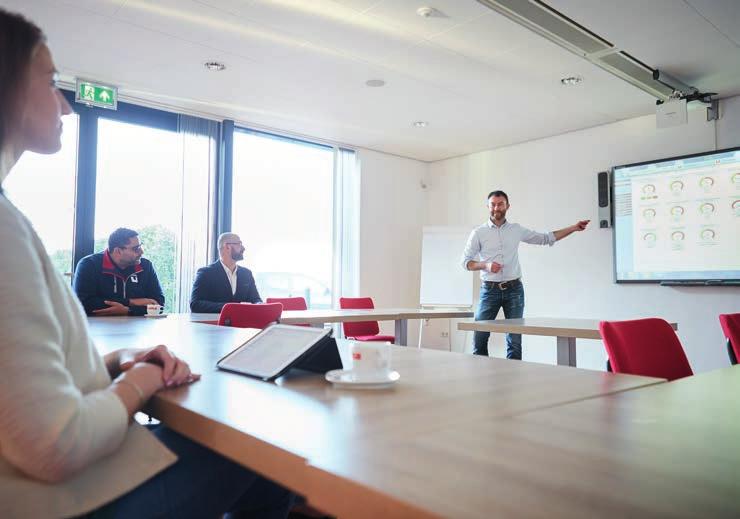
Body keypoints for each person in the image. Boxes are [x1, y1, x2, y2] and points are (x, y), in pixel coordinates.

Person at [0, 8, 294, 518]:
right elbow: (55, 445)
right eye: (49, 81)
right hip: (60, 500)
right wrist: (142, 382)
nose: (66, 105)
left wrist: (117, 363)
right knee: (270, 448)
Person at [462, 190, 589, 360]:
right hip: (489, 291)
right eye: (493, 204)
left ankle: (514, 381)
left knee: (515, 340)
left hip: (514, 290)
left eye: (500, 204)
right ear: (488, 206)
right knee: (479, 337)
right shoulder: (478, 233)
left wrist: (573, 228)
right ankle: (480, 379)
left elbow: (545, 238)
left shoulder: (516, 230)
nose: (496, 208)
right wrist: (485, 265)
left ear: (507, 206)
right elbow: (466, 263)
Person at [73, 227, 166, 316]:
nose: (141, 252)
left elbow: (158, 304)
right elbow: (83, 303)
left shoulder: (146, 266)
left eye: (141, 247)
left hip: (139, 328)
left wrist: (128, 310)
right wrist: (131, 302)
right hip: (98, 328)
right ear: (118, 251)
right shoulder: (88, 265)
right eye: (136, 249)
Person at [190, 232, 262, 313]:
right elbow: (195, 304)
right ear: (227, 246)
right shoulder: (205, 273)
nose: (243, 248)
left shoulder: (247, 274)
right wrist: (229, 307)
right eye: (239, 244)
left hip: (242, 324)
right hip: (215, 324)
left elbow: (255, 299)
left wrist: (259, 304)